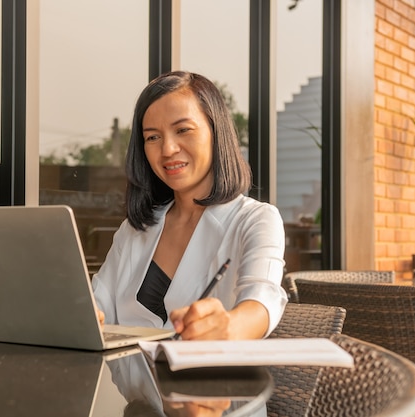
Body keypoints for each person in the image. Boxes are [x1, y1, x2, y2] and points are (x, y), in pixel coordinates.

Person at [92, 71, 287, 340]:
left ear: (215, 132)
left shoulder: (255, 219)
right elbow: (96, 303)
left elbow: (262, 302)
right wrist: (85, 313)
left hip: (208, 379)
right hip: (127, 381)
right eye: (152, 137)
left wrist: (227, 326)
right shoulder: (134, 229)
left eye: (183, 130)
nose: (168, 149)